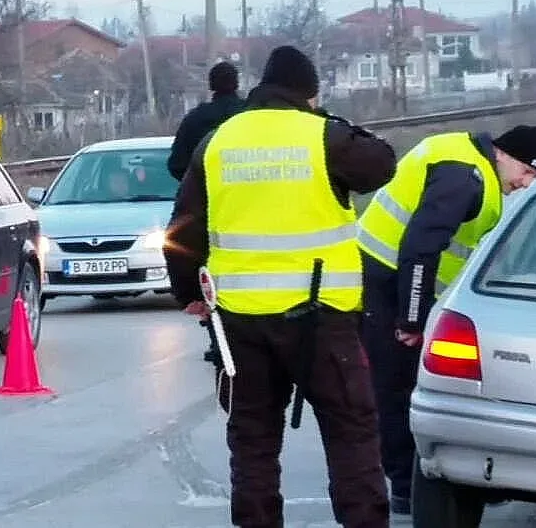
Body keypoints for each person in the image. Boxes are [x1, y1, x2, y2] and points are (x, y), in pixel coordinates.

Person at [164, 45, 397, 527]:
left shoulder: (217, 141)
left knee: (252, 440)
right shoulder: (325, 136)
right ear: (309, 94)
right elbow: (382, 164)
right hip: (323, 320)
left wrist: (187, 292)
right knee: (351, 435)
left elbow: (183, 227)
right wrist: (326, 119)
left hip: (239, 323)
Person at [355, 124, 536, 515]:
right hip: (385, 281)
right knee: (395, 387)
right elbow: (420, 246)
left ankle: (424, 479)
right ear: (503, 153)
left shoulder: (467, 161)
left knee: (407, 384)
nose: (526, 184)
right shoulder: (465, 176)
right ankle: (405, 489)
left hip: (395, 279)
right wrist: (411, 319)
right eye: (528, 173)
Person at [166, 61, 247, 368]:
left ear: (211, 84)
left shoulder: (196, 119)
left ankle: (219, 339)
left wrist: (194, 185)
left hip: (208, 209)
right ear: (237, 83)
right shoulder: (249, 116)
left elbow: (175, 164)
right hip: (249, 206)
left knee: (210, 273)